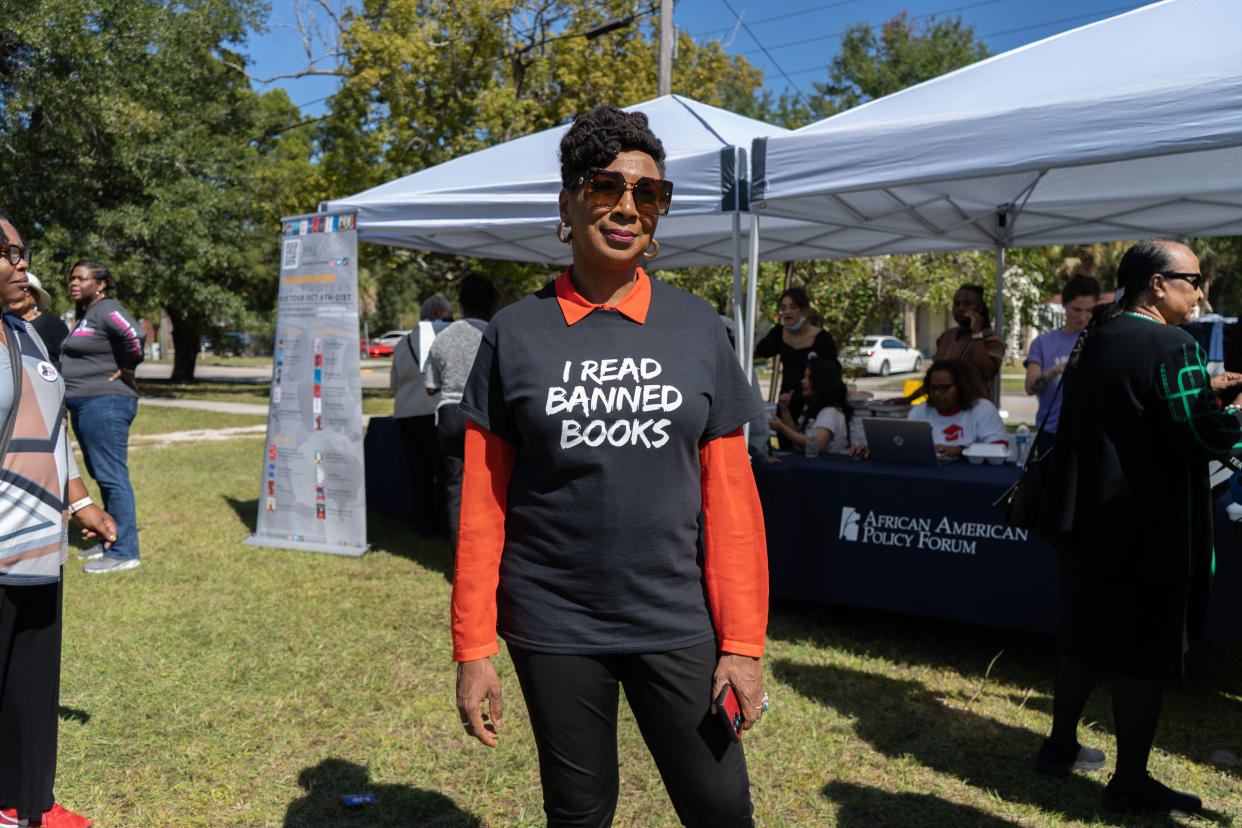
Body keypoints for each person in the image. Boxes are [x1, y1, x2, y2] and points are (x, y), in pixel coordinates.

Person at [452, 105, 768, 827]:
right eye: (605, 188)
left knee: (722, 808)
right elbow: (482, 506)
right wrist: (472, 648)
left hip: (677, 617)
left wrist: (743, 645)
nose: (628, 207)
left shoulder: (698, 328)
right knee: (579, 812)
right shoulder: (513, 334)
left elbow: (733, 503)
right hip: (554, 621)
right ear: (566, 204)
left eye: (648, 194)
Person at [1034, 240, 1242, 815]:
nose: (1200, 292)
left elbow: (1136, 407)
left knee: (1081, 636)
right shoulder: (1173, 343)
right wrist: (1230, 413)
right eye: (1193, 279)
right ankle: (1130, 781)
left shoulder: (1097, 333)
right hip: (1144, 522)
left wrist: (1206, 394)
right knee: (1141, 653)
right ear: (1157, 283)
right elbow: (1197, 435)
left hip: (1084, 517)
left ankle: (1058, 748)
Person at [0, 209, 116, 828]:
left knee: (32, 684)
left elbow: (51, 432)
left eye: (23, 252)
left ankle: (28, 805)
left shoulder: (26, 336)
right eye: (11, 253)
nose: (25, 265)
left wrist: (78, 502)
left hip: (37, 543)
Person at [61, 260, 146, 573]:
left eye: (82, 279)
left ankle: (125, 550)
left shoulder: (107, 307)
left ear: (100, 284)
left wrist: (127, 368)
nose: (74, 283)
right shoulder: (88, 313)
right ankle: (111, 537)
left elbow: (134, 333)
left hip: (106, 402)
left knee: (112, 475)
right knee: (102, 474)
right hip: (86, 403)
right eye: (72, 278)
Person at [424, 275, 497, 549]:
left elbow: (431, 386)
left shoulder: (442, 338)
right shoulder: (494, 334)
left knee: (455, 487)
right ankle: (486, 551)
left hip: (448, 416)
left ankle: (458, 558)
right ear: (493, 303)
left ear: (461, 303)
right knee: (488, 486)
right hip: (482, 415)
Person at [391, 295, 453, 536]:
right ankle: (443, 521)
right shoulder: (443, 339)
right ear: (439, 312)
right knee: (442, 470)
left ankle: (423, 524)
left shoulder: (401, 343)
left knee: (418, 471)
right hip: (434, 411)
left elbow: (394, 383)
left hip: (406, 412)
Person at [1023, 275, 1099, 457]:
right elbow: (1030, 387)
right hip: (1051, 433)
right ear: (1064, 305)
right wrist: (1057, 370)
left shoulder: (1100, 339)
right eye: (1076, 310)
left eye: (1089, 310)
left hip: (1090, 433)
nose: (1083, 317)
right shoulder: (1042, 343)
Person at [754, 287, 837, 424]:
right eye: (783, 308)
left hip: (815, 407)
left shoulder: (822, 338)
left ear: (804, 311)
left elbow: (833, 373)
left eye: (792, 307)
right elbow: (756, 353)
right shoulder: (778, 333)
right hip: (787, 403)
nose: (787, 312)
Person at [907, 285, 1005, 400]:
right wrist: (908, 399)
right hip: (941, 409)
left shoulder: (993, 340)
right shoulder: (947, 337)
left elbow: (987, 371)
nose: (961, 308)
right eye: (956, 304)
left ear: (981, 307)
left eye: (968, 304)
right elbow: (934, 379)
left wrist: (977, 335)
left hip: (974, 410)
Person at [906, 359, 1008, 456]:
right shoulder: (920, 411)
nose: (937, 393)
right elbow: (905, 444)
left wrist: (961, 450)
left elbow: (1000, 447)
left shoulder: (983, 409)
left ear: (962, 386)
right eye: (933, 388)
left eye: (944, 388)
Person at [769, 354, 853, 455]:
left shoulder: (830, 412)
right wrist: (784, 409)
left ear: (821, 381)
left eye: (809, 378)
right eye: (804, 377)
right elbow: (796, 433)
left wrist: (782, 428)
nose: (803, 381)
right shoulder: (812, 407)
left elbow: (816, 444)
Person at [9, 274, 69, 367]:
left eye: (23, 289)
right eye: (11, 289)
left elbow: (65, 359)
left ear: (36, 297)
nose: (14, 294)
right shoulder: (3, 322)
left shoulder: (53, 324)